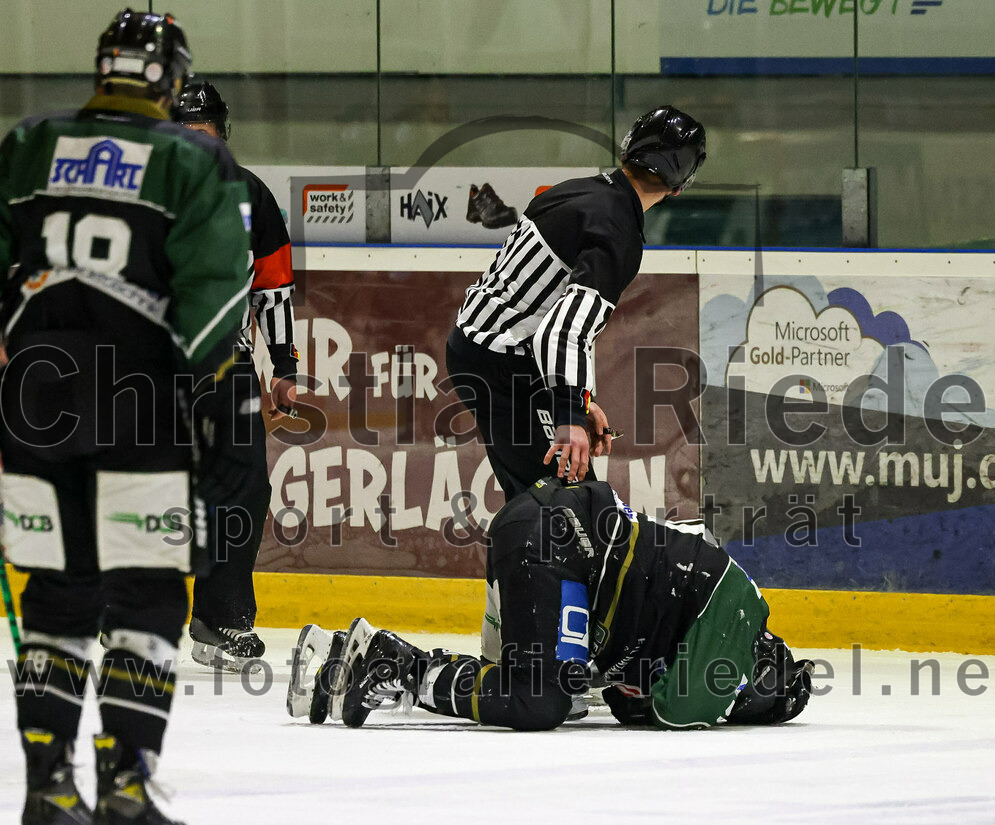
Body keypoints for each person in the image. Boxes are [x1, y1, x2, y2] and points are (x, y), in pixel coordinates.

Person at [0, 9, 253, 824]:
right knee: (146, 594)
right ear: (169, 80)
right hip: (137, 404)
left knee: (56, 595)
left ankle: (47, 787)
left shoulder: (28, 144)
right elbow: (214, 304)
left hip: (34, 405)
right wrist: (217, 408)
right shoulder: (192, 158)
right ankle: (127, 785)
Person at [290, 478, 813, 732]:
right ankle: (394, 663)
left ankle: (355, 658)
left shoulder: (710, 622)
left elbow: (630, 705)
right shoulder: (741, 614)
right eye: (759, 695)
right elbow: (677, 709)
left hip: (551, 542)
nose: (746, 699)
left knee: (538, 688)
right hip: (559, 545)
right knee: (541, 702)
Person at [445, 107, 706, 500]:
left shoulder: (575, 191)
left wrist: (581, 397)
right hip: (501, 365)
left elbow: (536, 309)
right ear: (677, 188)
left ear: (627, 151)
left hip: (477, 347)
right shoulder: (618, 232)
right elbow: (560, 332)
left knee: (539, 498)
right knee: (562, 504)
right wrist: (568, 415)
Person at [171, 79, 299, 671]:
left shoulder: (254, 195)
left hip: (230, 365)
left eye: (208, 134)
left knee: (245, 488)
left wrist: (285, 368)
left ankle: (219, 619)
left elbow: (274, 289)